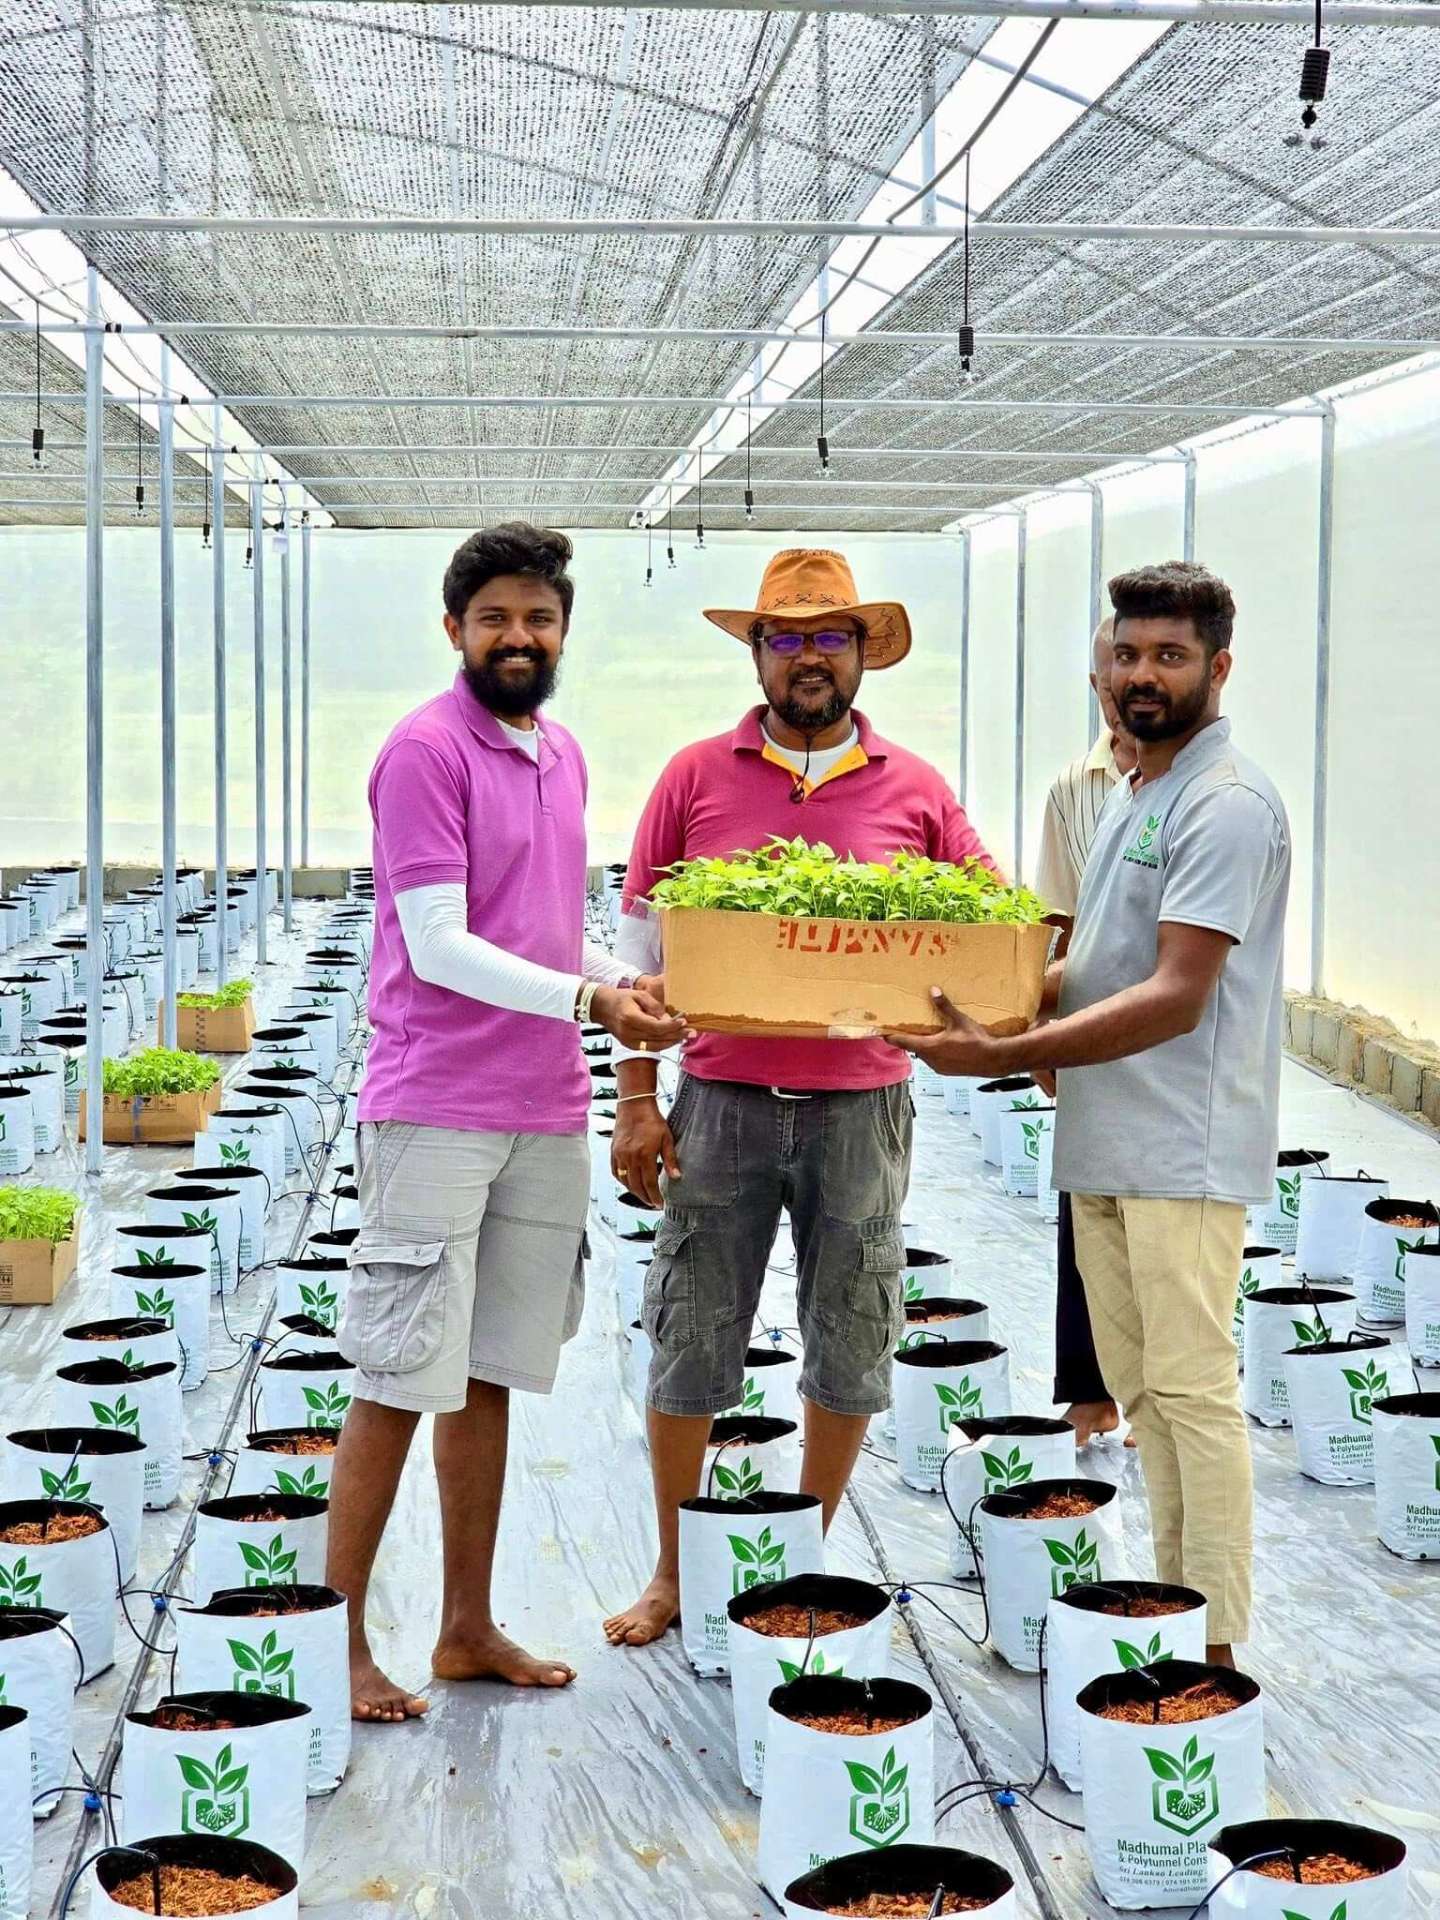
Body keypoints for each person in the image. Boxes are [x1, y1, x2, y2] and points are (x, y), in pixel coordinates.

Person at [891, 561, 1289, 1664]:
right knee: (1146, 1397)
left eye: (1168, 656)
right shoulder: (1134, 797)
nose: (1141, 675)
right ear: (1101, 668)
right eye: (1125, 654)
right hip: (1107, 1147)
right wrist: (958, 1000)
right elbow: (1094, 967)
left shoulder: (1226, 804)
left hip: (1182, 1149)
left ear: (1218, 668)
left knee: (1196, 1396)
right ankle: (1175, 1608)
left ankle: (1212, 1644)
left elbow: (1174, 993)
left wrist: (1006, 1050)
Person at [601, 547, 998, 1648]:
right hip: (720, 1097)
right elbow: (639, 945)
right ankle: (676, 1572)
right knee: (691, 1333)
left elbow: (988, 915)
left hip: (861, 1107)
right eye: (789, 636)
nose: (810, 656)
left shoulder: (915, 787)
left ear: (865, 653)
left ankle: (808, 1562)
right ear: (759, 653)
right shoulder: (694, 774)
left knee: (851, 1329)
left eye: (832, 637)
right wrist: (637, 1098)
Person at [328, 523, 684, 1721]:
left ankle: (465, 1626)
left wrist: (613, 989)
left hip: (543, 1105)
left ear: (563, 630)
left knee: (486, 1375)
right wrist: (593, 997)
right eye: (495, 620)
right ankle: (339, 1646)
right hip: (438, 1103)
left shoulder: (562, 754)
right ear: (455, 633)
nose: (518, 638)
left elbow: (534, 936)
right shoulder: (428, 752)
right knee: (393, 1373)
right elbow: (436, 943)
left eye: (538, 618)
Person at [1032, 618, 1138, 1447]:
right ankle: (1091, 1391)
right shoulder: (1078, 784)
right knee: (1086, 1204)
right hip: (1093, 1019)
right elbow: (1057, 915)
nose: (1124, 687)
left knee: (1170, 1221)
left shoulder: (1207, 789)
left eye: (1144, 665)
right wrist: (1045, 1029)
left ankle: (1156, 1394)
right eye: (1110, 672)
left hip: (1175, 1029)